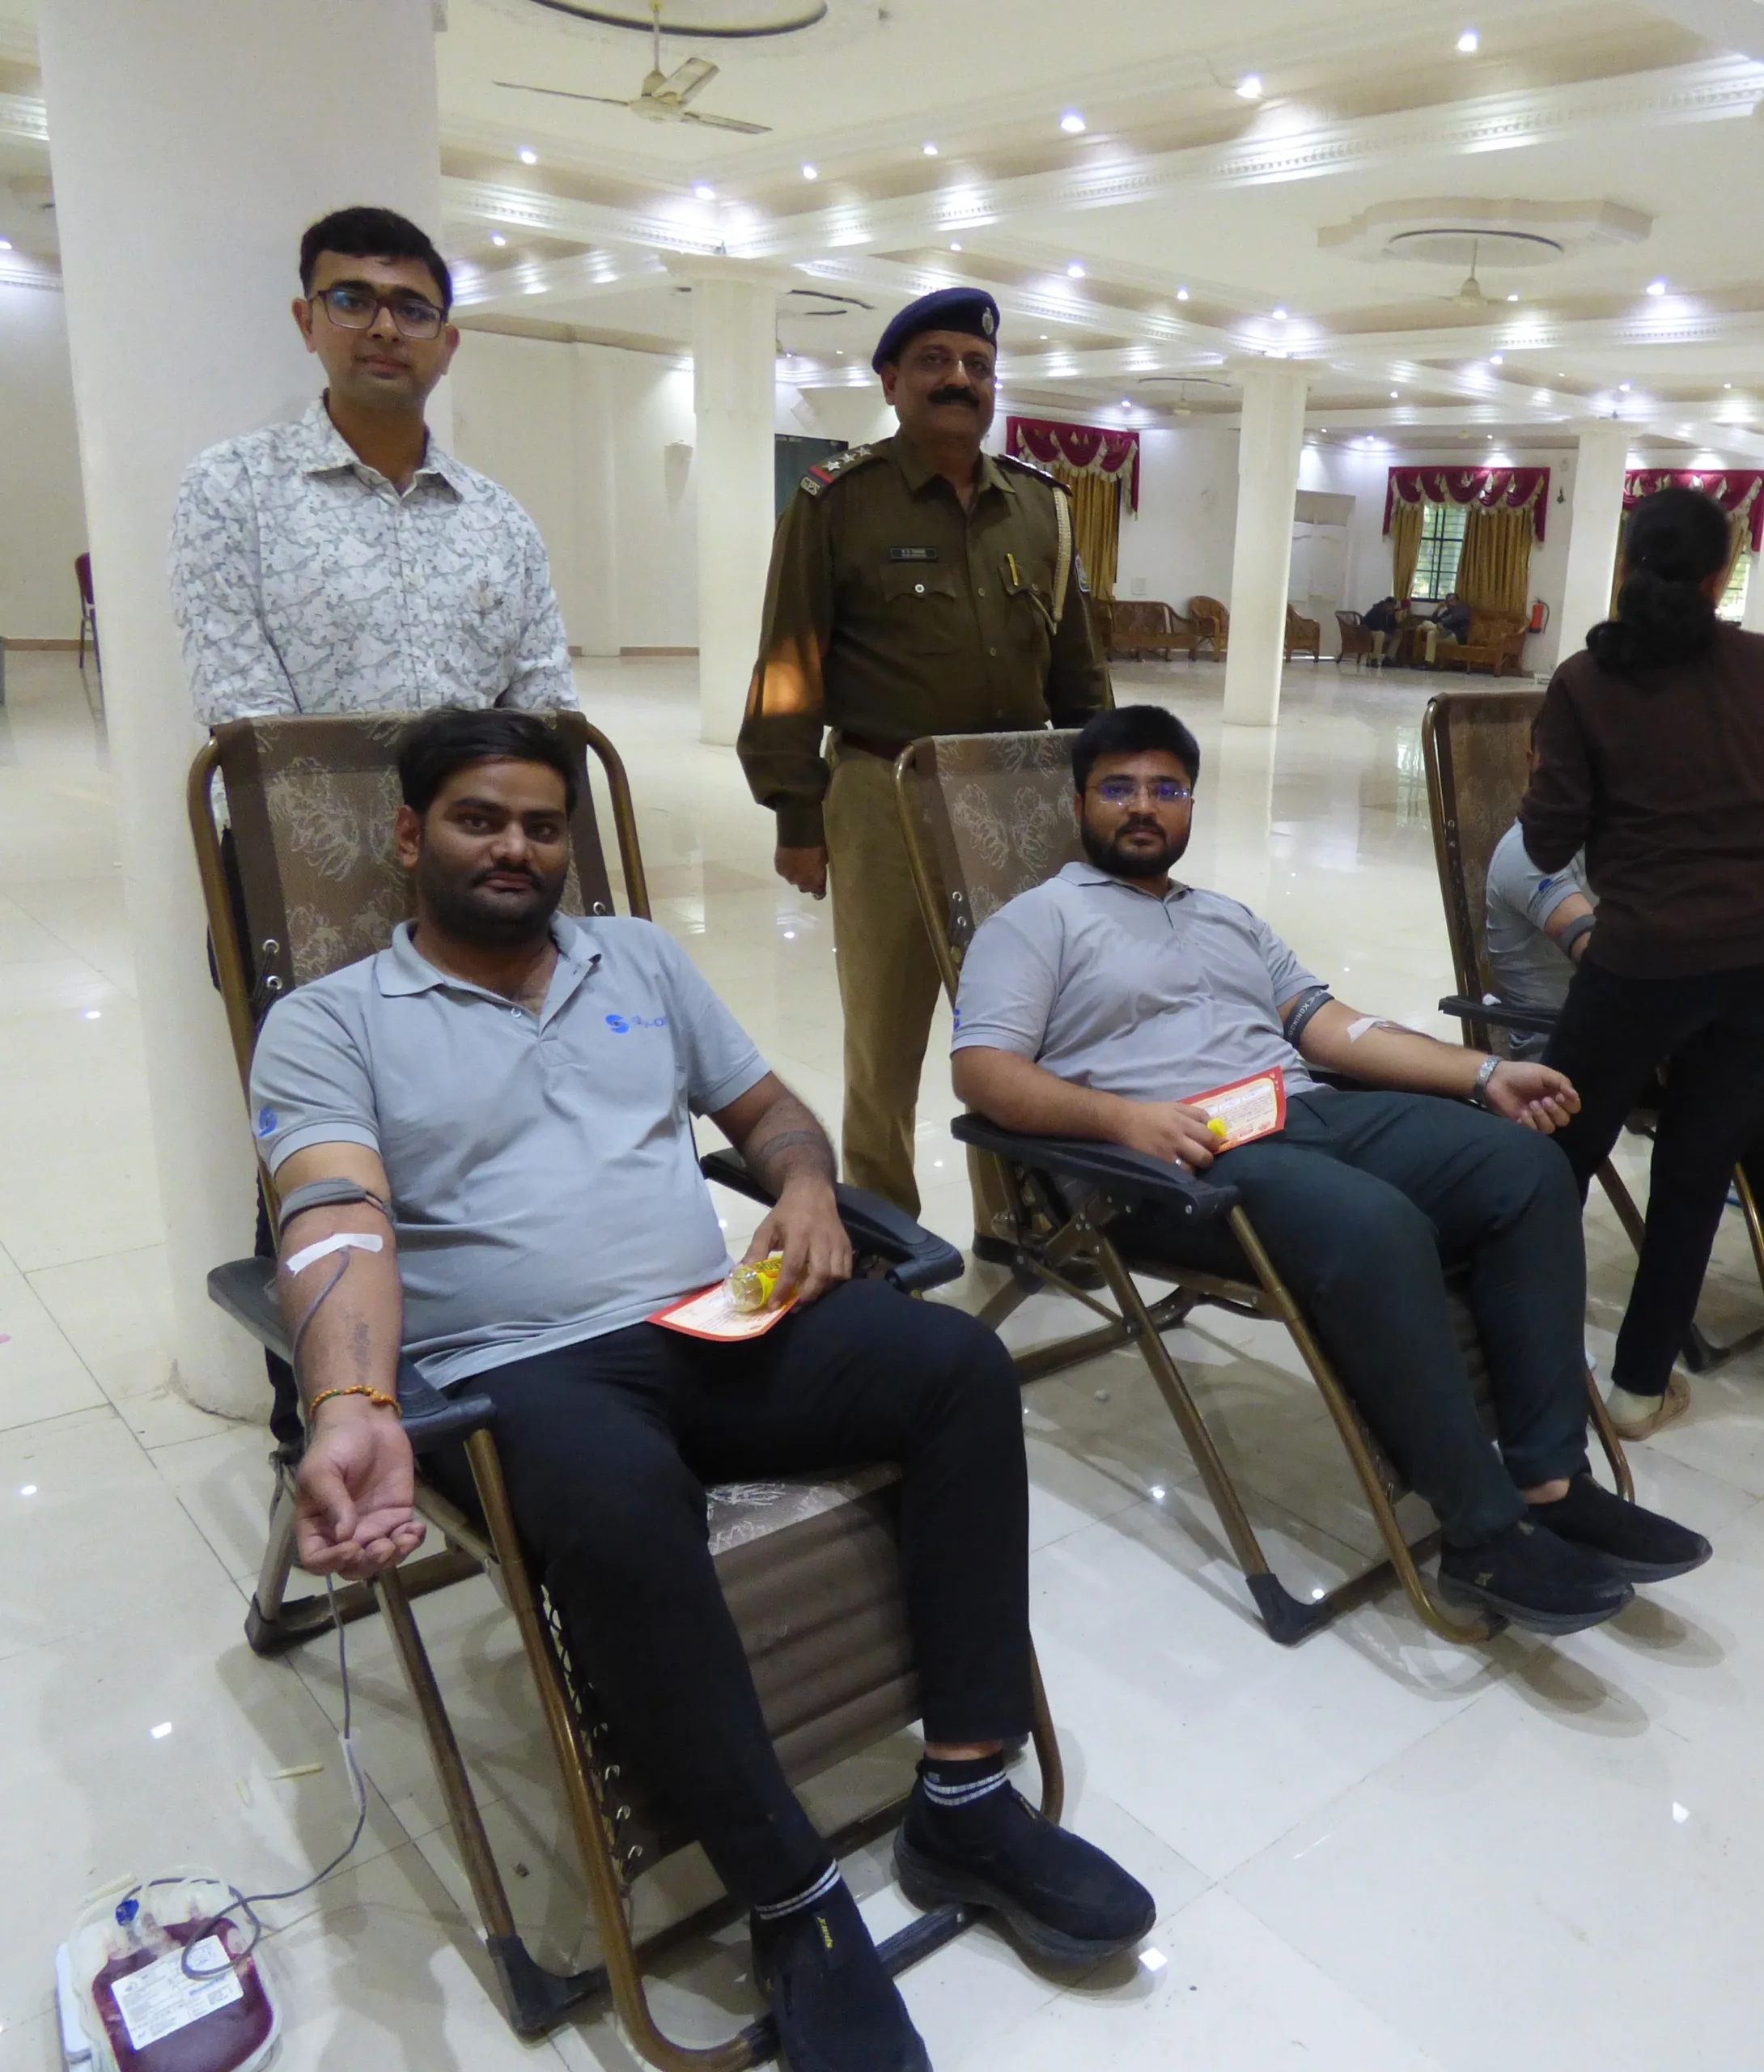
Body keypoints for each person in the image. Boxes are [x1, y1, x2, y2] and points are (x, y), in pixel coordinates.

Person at [248, 707, 1153, 2072]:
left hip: (711, 1323)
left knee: (960, 1364)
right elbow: (333, 1226)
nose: (514, 848)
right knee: (615, 1503)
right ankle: (790, 1899)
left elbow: (772, 1112)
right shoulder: (329, 1022)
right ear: (406, 837)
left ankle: (967, 1795)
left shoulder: (640, 960)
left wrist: (801, 1188)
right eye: (477, 820)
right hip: (524, 1371)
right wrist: (352, 1405)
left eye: (542, 825)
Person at [950, 703, 1711, 1635]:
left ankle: (1550, 1478)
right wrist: (1121, 1119)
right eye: (1117, 788)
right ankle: (1480, 1531)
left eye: (1164, 788)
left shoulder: (1227, 917)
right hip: (1177, 1166)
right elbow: (983, 1071)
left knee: (1524, 1165)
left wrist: (1480, 1073)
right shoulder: (1038, 922)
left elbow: (1331, 1026)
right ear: (1080, 803)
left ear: (1189, 804)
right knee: (1371, 1223)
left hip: (1304, 1109)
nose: (1141, 807)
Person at [738, 286, 1110, 1236]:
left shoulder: (1041, 507)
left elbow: (1076, 666)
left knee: (1022, 1026)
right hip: (881, 793)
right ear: (892, 382)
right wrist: (795, 809)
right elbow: (789, 658)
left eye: (976, 366)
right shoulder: (839, 503)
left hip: (1018, 803)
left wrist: (1102, 793)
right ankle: (884, 1231)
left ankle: (1020, 1216)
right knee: (885, 1035)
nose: (959, 380)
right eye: (936, 363)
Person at [1522, 486, 1764, 1440]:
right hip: (1754, 962)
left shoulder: (1585, 680)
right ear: (1720, 574)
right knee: (1698, 1168)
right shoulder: (1759, 668)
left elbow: (1545, 847)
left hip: (1641, 959)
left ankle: (1517, 1359)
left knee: (1553, 1157)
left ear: (1626, 561)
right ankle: (1635, 1386)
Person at [171, 206, 575, 723]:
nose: (385, 329)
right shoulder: (233, 488)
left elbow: (547, 714)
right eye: (352, 301)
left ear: (447, 347)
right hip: (300, 805)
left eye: (414, 311)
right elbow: (250, 724)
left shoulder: (500, 521)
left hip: (473, 806)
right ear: (307, 323)